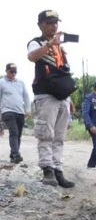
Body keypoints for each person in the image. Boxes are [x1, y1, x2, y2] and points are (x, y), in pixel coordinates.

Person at [26, 10, 77, 188]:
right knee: (46, 134)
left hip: (62, 95)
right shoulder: (36, 43)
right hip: (46, 95)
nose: (54, 26)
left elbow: (63, 73)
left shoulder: (60, 48)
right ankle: (47, 169)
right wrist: (49, 44)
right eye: (49, 22)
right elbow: (32, 57)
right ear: (41, 25)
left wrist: (69, 99)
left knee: (60, 136)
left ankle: (58, 169)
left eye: (56, 22)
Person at [0, 62, 31, 164]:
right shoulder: (1, 82)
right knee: (14, 132)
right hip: (7, 111)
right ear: (6, 71)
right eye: (11, 72)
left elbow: (26, 96)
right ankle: (16, 155)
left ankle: (13, 153)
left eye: (15, 72)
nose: (13, 74)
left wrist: (28, 109)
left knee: (18, 135)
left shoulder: (20, 83)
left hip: (20, 112)